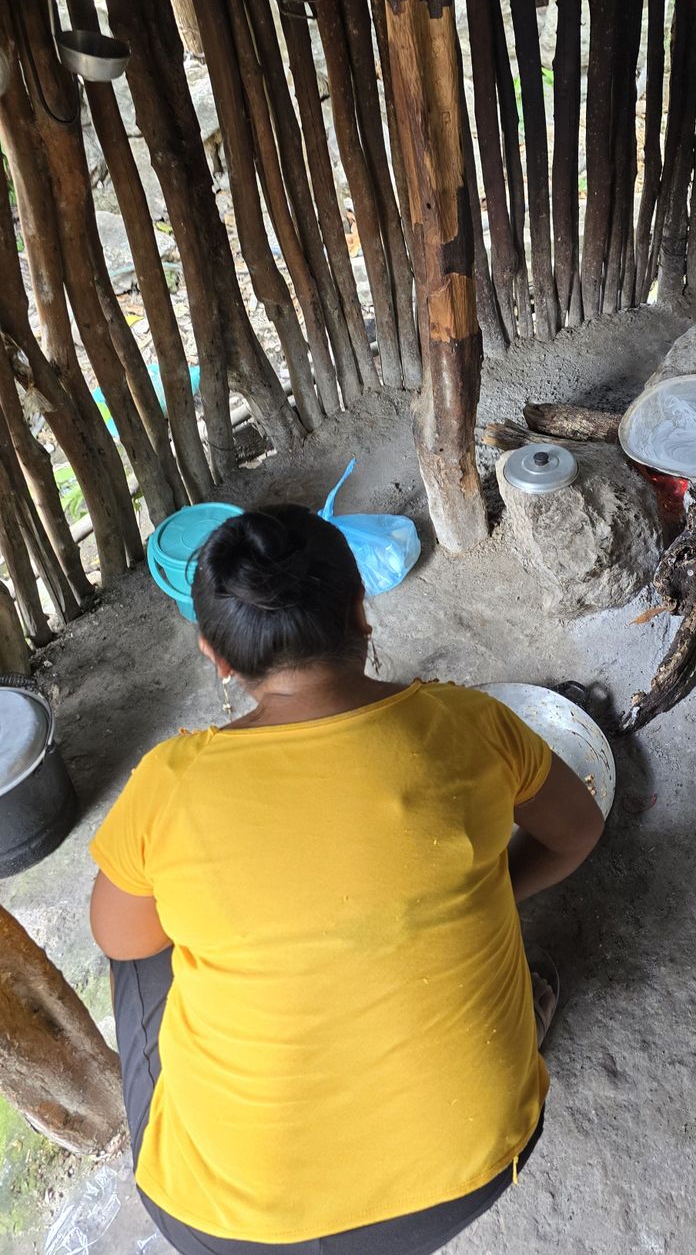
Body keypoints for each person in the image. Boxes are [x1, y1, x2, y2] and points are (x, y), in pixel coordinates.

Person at [89, 504, 605, 1255]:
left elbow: (118, 935)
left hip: (225, 1222)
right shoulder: (469, 723)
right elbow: (577, 830)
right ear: (361, 611)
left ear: (217, 657)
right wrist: (486, 890)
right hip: (478, 1161)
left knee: (139, 947)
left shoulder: (169, 783)